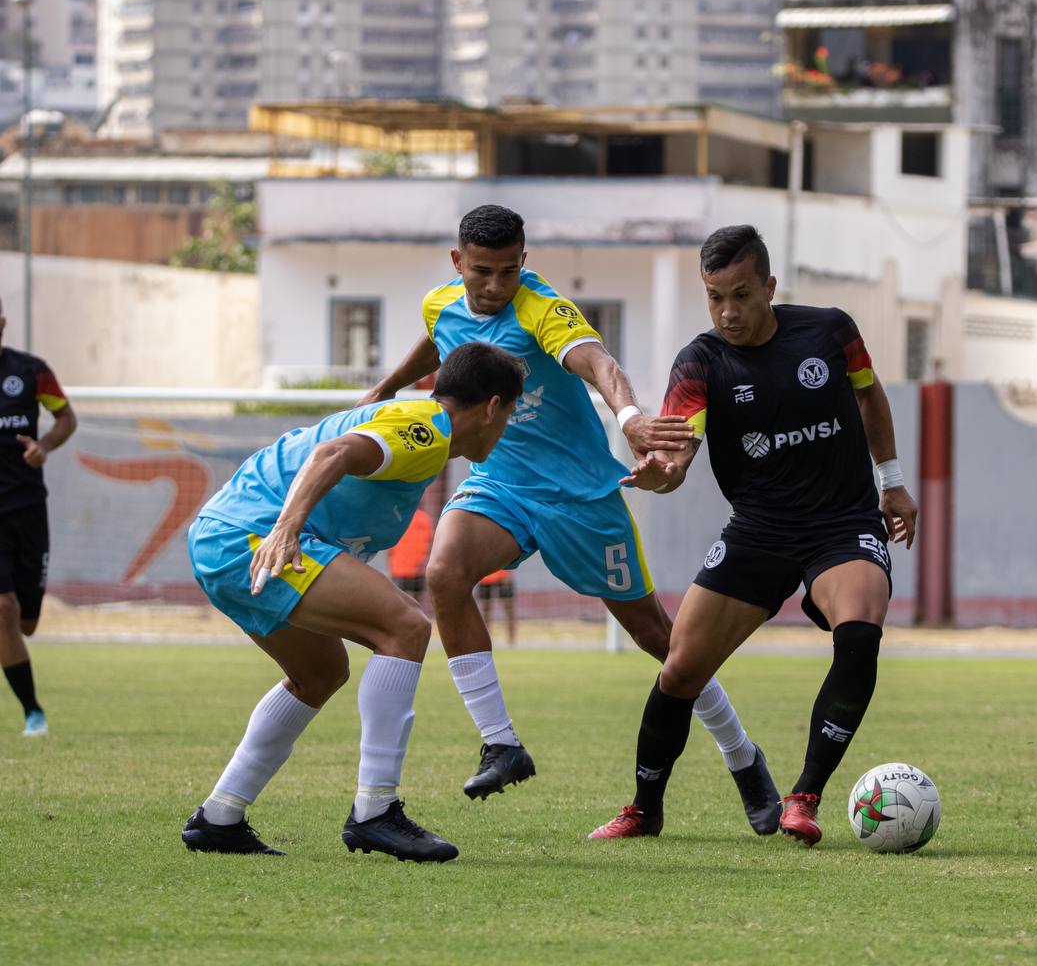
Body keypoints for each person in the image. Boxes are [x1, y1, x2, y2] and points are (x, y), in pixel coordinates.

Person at [361, 205, 778, 835]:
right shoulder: (440, 302)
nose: (495, 286)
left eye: (509, 271)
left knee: (660, 640)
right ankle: (500, 742)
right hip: (500, 483)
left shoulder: (542, 309)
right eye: (482, 272)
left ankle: (743, 757)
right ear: (458, 263)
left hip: (580, 496)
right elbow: (438, 340)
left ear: (524, 262)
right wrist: (387, 386)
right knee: (443, 573)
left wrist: (630, 417)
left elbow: (598, 362)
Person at [589, 225, 918, 847]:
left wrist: (892, 482)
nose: (727, 312)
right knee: (680, 670)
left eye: (741, 294)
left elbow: (870, 400)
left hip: (842, 523)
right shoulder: (701, 361)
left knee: (860, 628)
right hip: (759, 530)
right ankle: (644, 808)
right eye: (715, 297)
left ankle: (804, 796)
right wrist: (662, 476)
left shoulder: (830, 331)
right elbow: (679, 450)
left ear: (769, 286)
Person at [181, 341, 523, 861]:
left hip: (223, 537)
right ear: (493, 407)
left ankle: (219, 816)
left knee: (320, 673)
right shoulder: (430, 428)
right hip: (250, 538)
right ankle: (375, 811)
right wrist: (284, 530)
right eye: (509, 416)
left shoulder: (416, 425)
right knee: (406, 628)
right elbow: (331, 454)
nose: (502, 434)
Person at [0, 296, 77, 737]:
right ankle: (33, 712)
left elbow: (66, 417)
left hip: (28, 509)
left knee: (26, 621)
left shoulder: (30, 371)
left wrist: (43, 447)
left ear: (2, 321)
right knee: (4, 608)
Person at [387, 498, 434, 610]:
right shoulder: (424, 518)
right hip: (414, 568)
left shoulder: (398, 517)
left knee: (402, 601)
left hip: (400, 569)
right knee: (416, 603)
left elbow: (389, 546)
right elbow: (431, 543)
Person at [476, 568, 517, 646]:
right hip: (485, 577)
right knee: (485, 613)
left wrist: (507, 573)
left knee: (509, 610)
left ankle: (512, 642)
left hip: (503, 575)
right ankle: (485, 642)